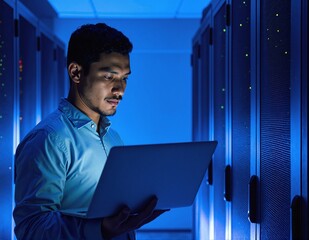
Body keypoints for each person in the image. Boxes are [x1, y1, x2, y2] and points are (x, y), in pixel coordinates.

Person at [13, 23, 167, 240]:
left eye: (124, 78)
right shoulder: (49, 139)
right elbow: (32, 228)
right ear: (76, 72)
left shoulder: (113, 138)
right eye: (109, 76)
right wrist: (101, 228)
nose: (120, 90)